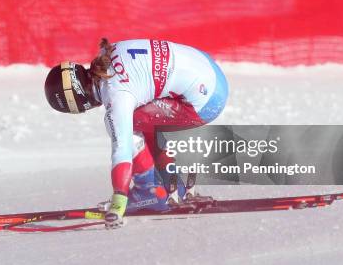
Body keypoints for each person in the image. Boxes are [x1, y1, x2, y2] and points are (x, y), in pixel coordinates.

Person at [44, 38, 228, 229]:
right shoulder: (105, 57)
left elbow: (121, 151)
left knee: (124, 121)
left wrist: (118, 201)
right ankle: (174, 183)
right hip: (209, 68)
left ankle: (149, 189)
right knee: (146, 109)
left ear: (81, 103)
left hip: (208, 102)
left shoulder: (116, 95)